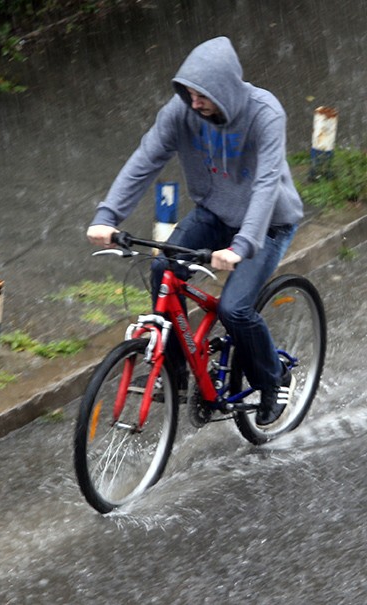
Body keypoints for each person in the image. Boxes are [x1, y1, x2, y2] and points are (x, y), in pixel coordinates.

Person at [86, 36, 303, 426]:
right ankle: (174, 373)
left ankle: (273, 378)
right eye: (187, 93)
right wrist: (107, 216)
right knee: (162, 270)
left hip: (268, 224)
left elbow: (267, 183)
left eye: (201, 95)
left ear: (224, 88)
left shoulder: (265, 112)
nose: (194, 103)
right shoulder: (182, 112)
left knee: (235, 308)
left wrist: (241, 245)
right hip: (215, 213)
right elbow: (146, 159)